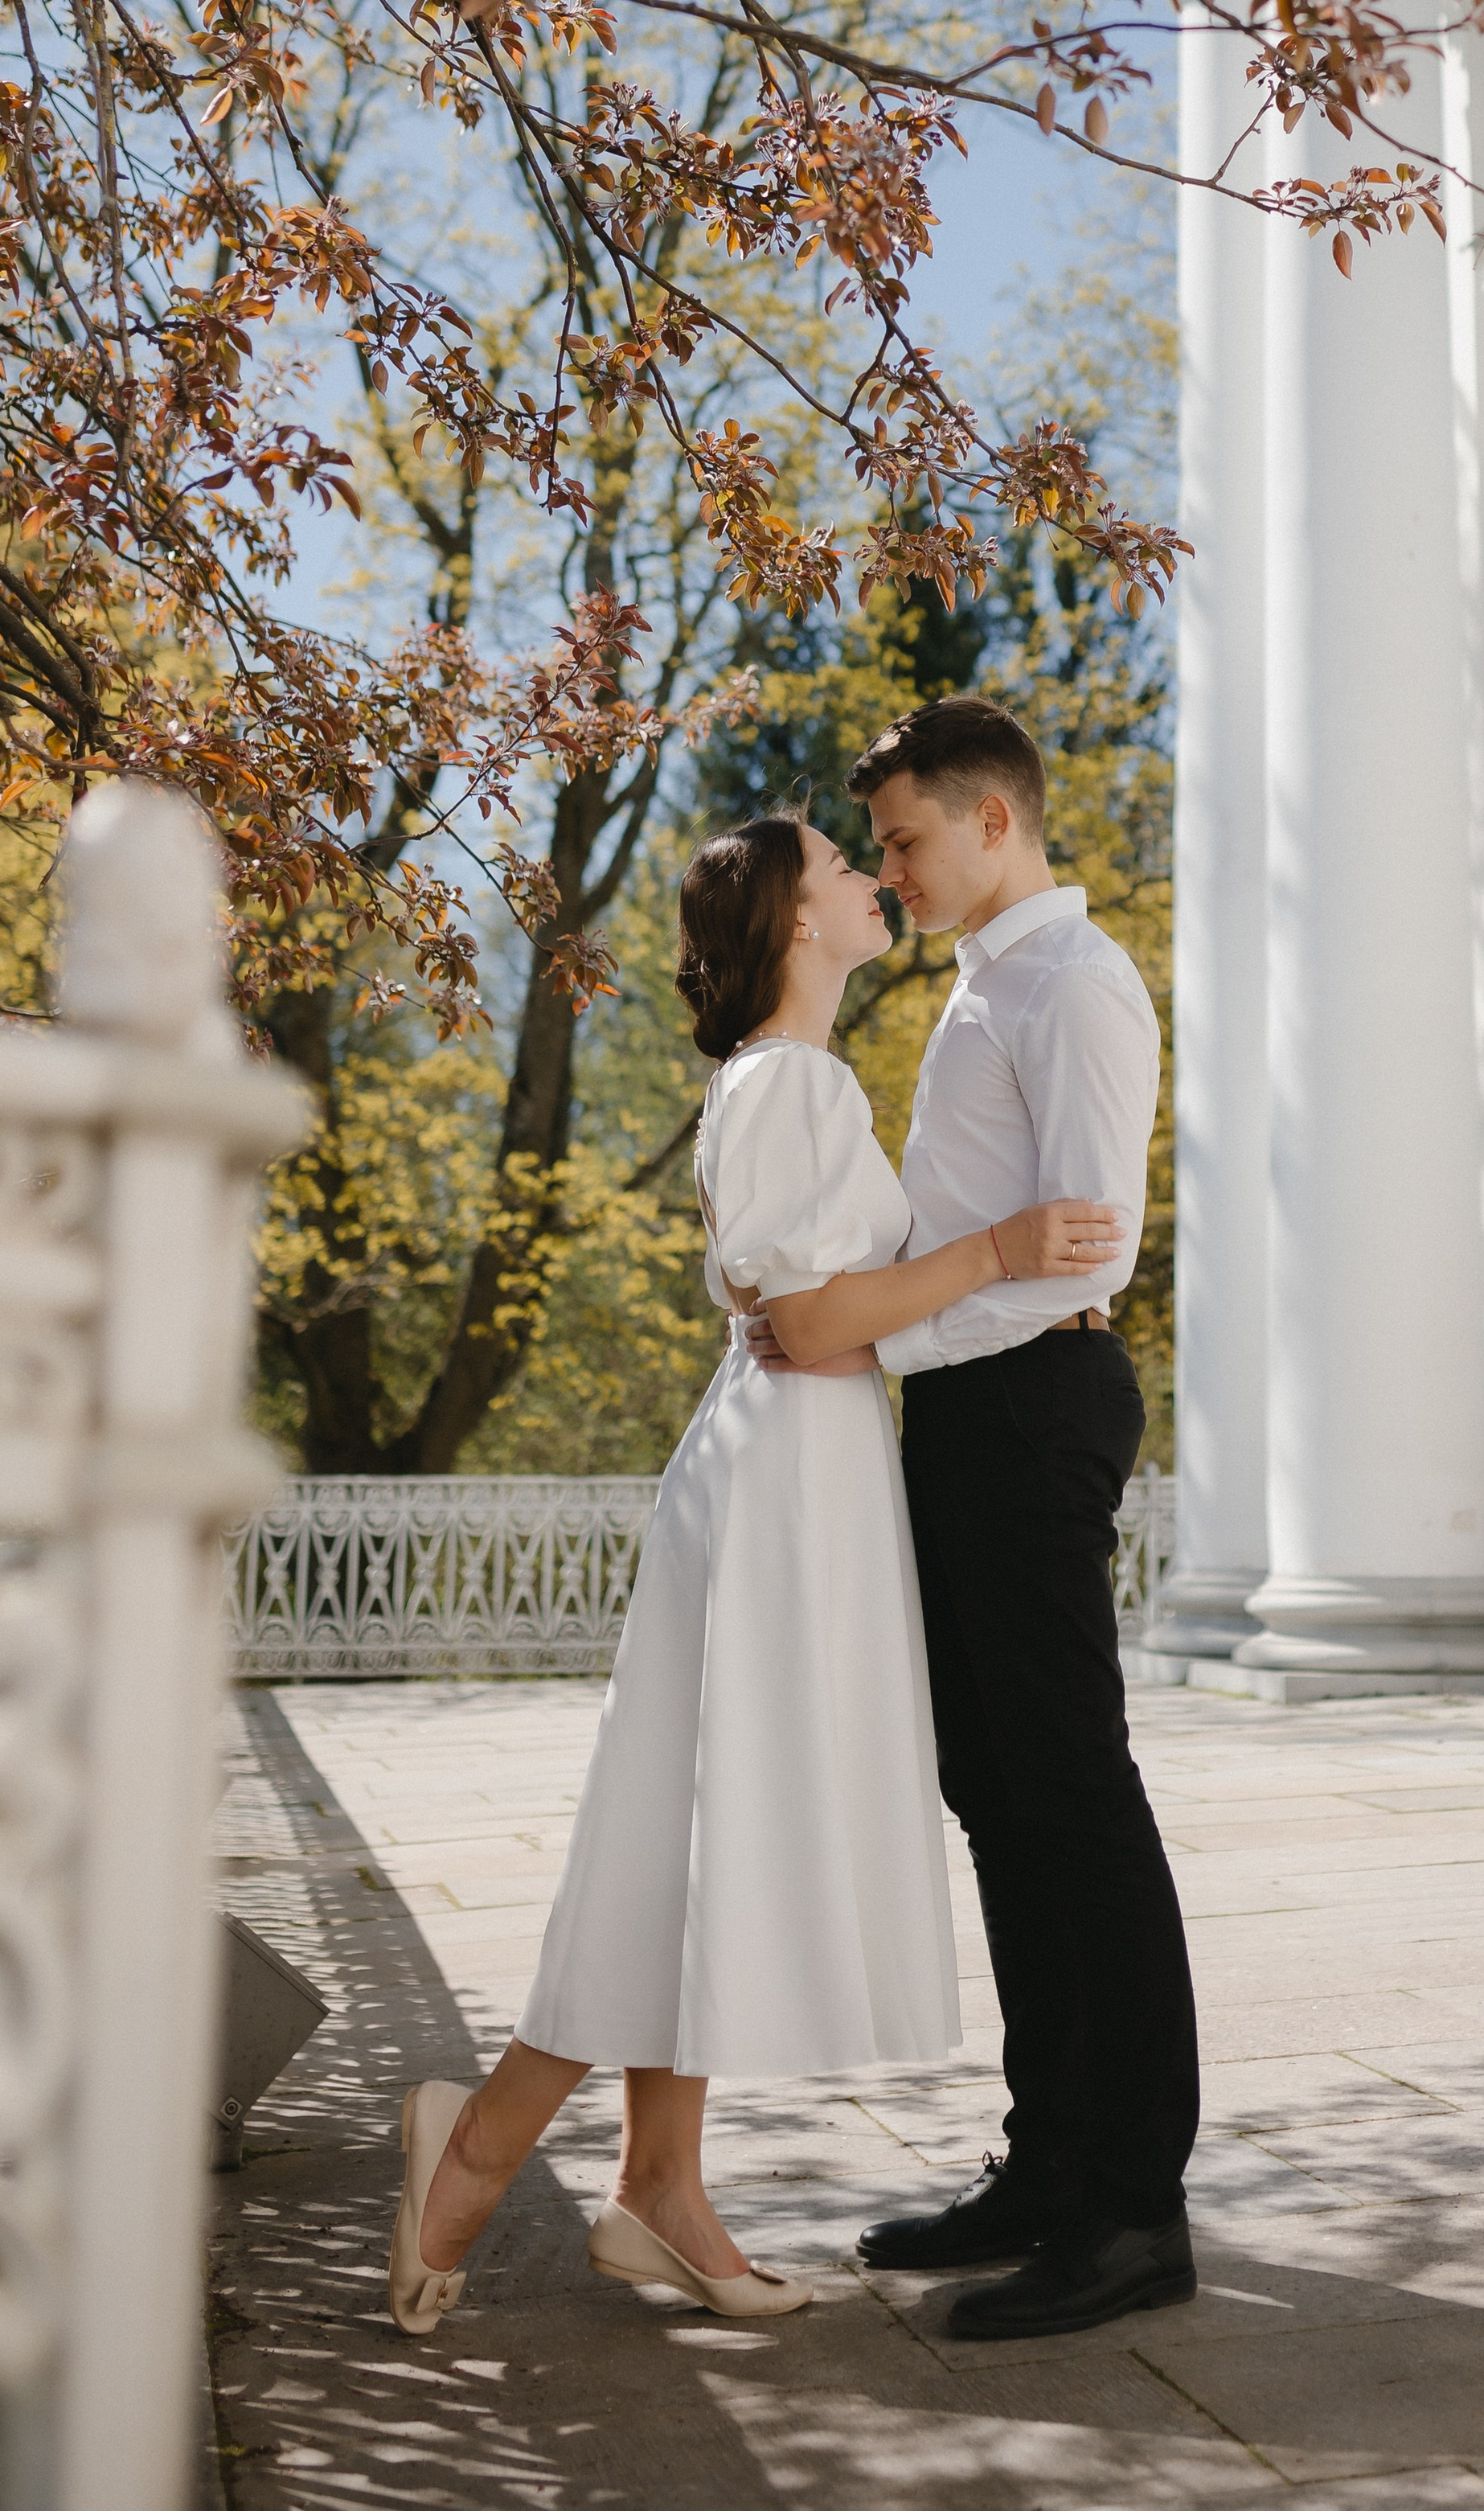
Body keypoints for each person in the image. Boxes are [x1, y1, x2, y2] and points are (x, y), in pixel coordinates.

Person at [385, 811, 1123, 2338]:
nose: (872, 875)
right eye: (844, 865)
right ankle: (479, 2147)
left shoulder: (792, 1080)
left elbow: (818, 1305)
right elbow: (809, 1317)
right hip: (781, 1467)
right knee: (683, 1825)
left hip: (793, 1471)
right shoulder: (794, 1079)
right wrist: (997, 1253)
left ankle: (659, 2187)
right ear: (795, 918)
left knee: (698, 1825)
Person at [756, 695, 1199, 2342]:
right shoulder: (987, 987)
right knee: (997, 1793)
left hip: (1033, 1394)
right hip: (965, 1404)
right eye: (880, 849)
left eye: (904, 841)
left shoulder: (1070, 984)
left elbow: (1079, 1248)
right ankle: (1051, 2164)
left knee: (1069, 1792)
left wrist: (877, 1329)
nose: (893, 869)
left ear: (991, 820)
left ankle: (1133, 2210)